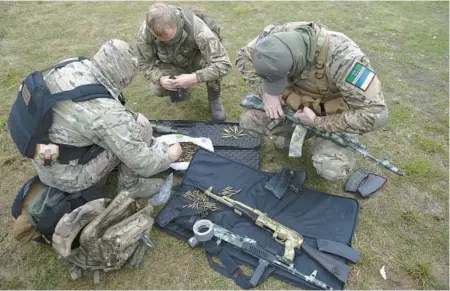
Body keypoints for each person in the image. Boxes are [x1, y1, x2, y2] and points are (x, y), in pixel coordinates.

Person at [8, 39, 182, 199]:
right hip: (69, 176)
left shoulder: (74, 63)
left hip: (45, 155)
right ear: (124, 77)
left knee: (122, 131)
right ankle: (131, 186)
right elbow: (144, 164)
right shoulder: (107, 115)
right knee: (142, 126)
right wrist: (169, 155)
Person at [236, 22, 389, 181]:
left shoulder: (345, 59)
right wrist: (268, 93)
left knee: (331, 168)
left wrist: (318, 122)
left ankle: (312, 136)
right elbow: (243, 56)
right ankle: (295, 133)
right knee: (250, 121)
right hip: (294, 106)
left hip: (330, 115)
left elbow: (377, 114)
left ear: (298, 62)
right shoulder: (273, 38)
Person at [136, 3, 232, 122]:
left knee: (211, 64)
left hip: (195, 60)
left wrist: (194, 78)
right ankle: (180, 88)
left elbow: (223, 64)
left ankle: (214, 97)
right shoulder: (145, 34)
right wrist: (160, 78)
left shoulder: (196, 27)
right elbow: (144, 64)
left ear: (176, 23)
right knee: (157, 88)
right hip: (171, 63)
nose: (169, 42)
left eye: (172, 37)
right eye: (162, 40)